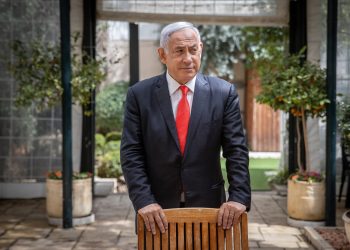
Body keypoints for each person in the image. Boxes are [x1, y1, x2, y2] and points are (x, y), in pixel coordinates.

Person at [120, 21, 250, 235]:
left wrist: (238, 197)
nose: (188, 58)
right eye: (179, 51)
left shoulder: (223, 93)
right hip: (156, 211)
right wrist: (144, 201)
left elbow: (236, 150)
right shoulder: (139, 95)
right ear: (162, 55)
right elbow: (131, 152)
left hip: (210, 209)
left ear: (201, 49)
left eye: (193, 50)